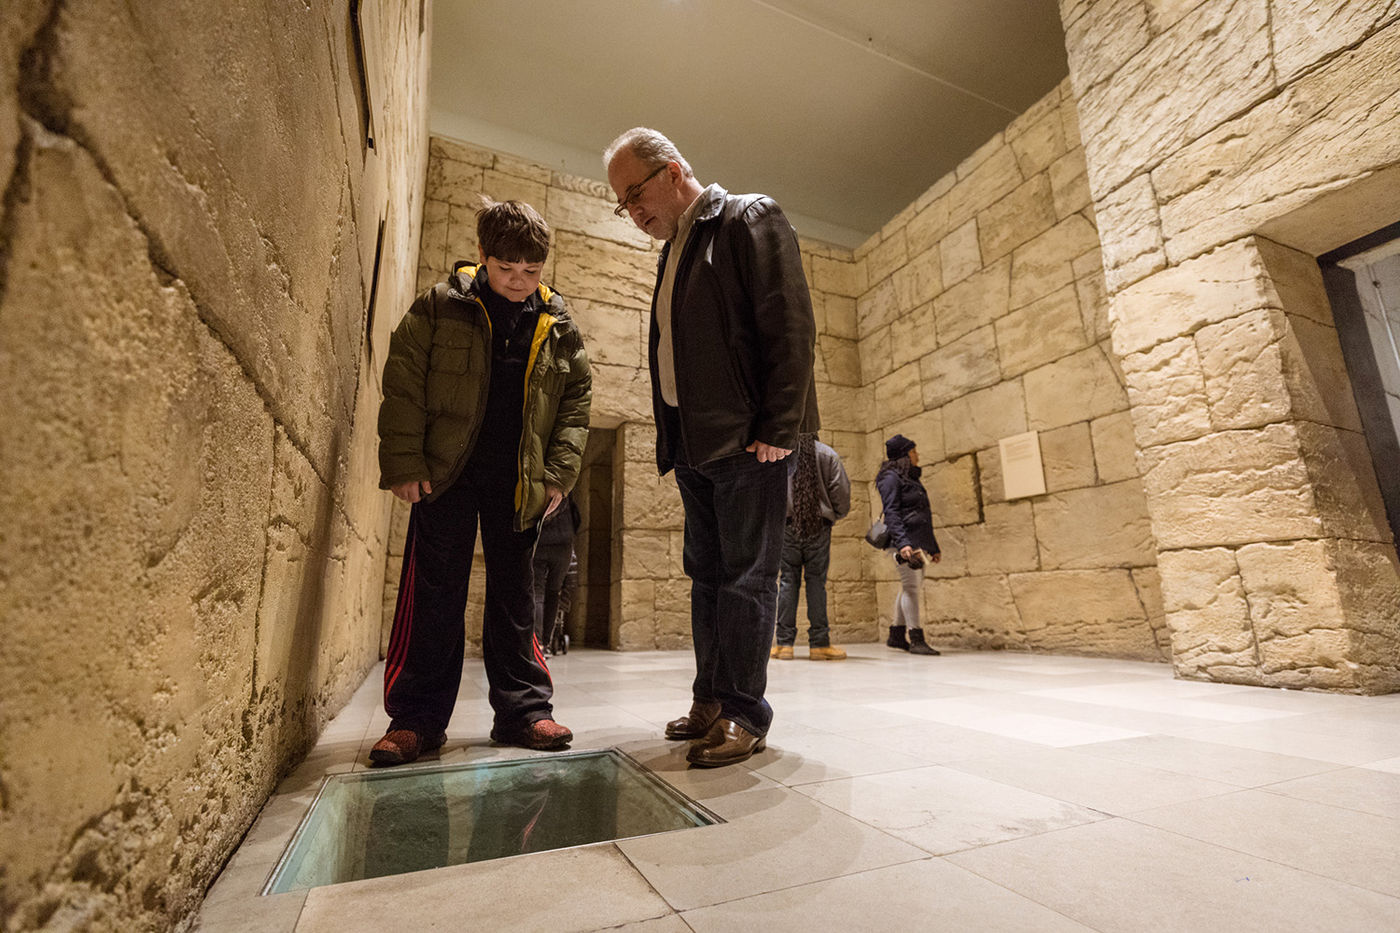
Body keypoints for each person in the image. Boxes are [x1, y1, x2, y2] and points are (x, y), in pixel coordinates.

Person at [604, 127, 819, 767]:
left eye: (635, 194)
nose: (634, 213)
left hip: (750, 442)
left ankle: (745, 715)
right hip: (696, 446)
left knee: (748, 579)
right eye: (624, 205)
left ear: (673, 172)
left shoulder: (747, 217)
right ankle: (711, 701)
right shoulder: (676, 251)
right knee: (708, 578)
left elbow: (790, 323)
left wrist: (779, 427)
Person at [371, 198, 592, 765]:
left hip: (519, 484)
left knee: (516, 597)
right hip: (445, 477)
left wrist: (557, 475)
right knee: (435, 595)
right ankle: (416, 720)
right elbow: (403, 384)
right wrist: (405, 463)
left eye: (532, 271)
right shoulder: (440, 307)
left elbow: (574, 404)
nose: (519, 282)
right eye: (506, 269)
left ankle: (523, 713)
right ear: (482, 257)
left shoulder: (559, 325)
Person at [772, 435, 851, 660]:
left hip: (787, 526)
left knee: (787, 580)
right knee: (817, 582)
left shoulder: (782, 452)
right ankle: (819, 644)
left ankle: (784, 645)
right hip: (819, 526)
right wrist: (833, 515)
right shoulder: (827, 454)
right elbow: (841, 492)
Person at [875, 434, 942, 657]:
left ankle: (896, 634)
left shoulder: (910, 478)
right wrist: (903, 544)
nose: (917, 455)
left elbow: (922, 514)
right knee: (911, 588)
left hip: (917, 541)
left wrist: (932, 547)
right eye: (914, 451)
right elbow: (891, 512)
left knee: (909, 586)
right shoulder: (891, 478)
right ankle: (916, 638)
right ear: (905, 455)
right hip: (903, 543)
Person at [533, 493, 580, 654]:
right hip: (564, 543)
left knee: (537, 593)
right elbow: (576, 517)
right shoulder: (565, 482)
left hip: (540, 541)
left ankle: (537, 644)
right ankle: (545, 643)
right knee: (554, 592)